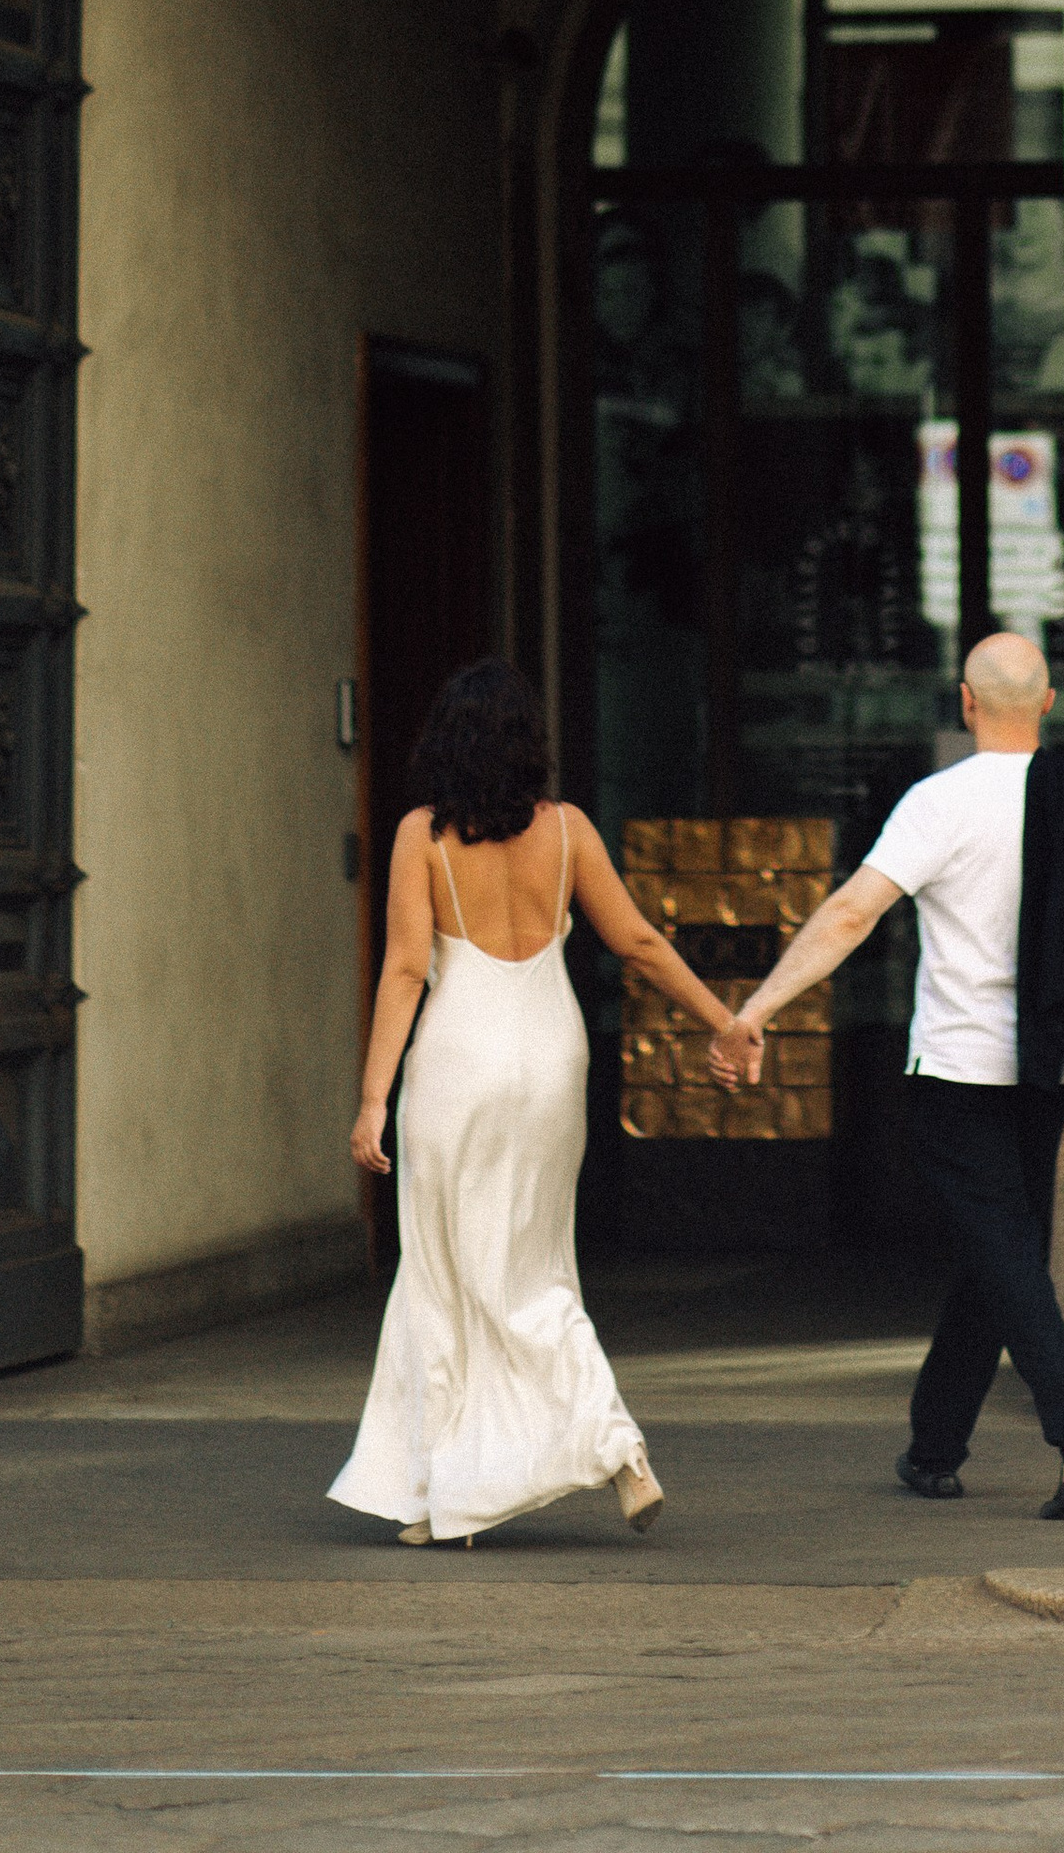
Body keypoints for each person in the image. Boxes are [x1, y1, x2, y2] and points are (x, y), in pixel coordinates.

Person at [711, 630, 1064, 1522]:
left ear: (965, 704)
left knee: (1003, 1254)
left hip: (957, 1069)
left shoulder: (940, 803)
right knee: (996, 1255)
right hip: (1047, 1070)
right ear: (1048, 704)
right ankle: (934, 1448)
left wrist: (756, 1008)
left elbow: (853, 913)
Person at [329, 658, 736, 1549]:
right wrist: (724, 1020)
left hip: (458, 1063)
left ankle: (459, 1495)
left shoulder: (421, 837)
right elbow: (634, 939)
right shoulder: (568, 831)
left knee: (448, 1271)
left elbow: (405, 969)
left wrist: (371, 1100)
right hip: (552, 1056)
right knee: (535, 1269)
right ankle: (579, 1460)